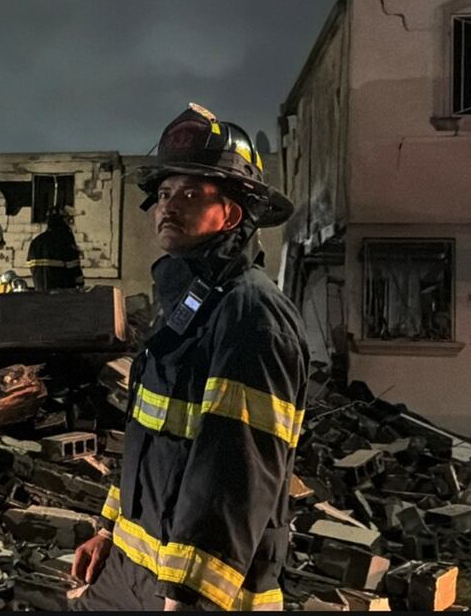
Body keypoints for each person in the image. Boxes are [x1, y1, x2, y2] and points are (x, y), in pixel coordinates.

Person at [69, 104, 308, 611]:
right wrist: (108, 529)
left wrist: (190, 595)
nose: (168, 206)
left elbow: (236, 471)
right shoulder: (187, 302)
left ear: (233, 214)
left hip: (194, 590)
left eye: (191, 194)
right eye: (164, 193)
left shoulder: (252, 315)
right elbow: (148, 438)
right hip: (133, 573)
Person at [26, 207, 84, 291]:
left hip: (40, 293)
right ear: (61, 221)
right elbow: (74, 266)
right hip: (62, 294)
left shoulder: (36, 241)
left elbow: (30, 265)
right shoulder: (65, 240)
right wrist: (80, 284)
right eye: (67, 219)